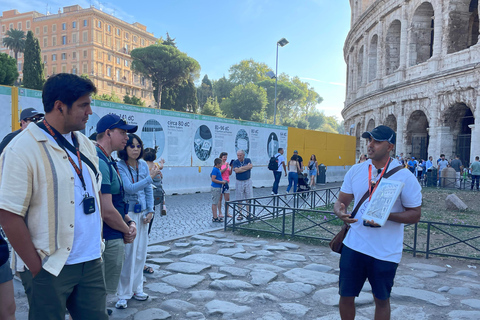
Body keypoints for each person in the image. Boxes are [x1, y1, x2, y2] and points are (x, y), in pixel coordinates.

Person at [0, 73, 109, 319]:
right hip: (50, 266)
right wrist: (38, 270)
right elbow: (8, 214)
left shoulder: (85, 143)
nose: (90, 111)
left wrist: (97, 243)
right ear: (60, 106)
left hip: (91, 261)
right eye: (83, 105)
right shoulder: (21, 148)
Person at [333, 125, 422, 320]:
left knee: (381, 300)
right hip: (353, 245)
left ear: (390, 146)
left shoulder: (405, 176)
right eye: (369, 140)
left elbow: (415, 214)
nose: (370, 145)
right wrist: (340, 211)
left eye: (377, 141)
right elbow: (341, 202)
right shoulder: (356, 170)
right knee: (346, 295)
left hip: (385, 251)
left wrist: (385, 215)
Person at [95, 114, 138, 311]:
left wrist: (130, 222)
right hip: (107, 236)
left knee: (101, 293)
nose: (127, 138)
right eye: (122, 132)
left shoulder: (108, 159)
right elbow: (106, 209)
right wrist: (126, 230)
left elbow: (117, 202)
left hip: (113, 233)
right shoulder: (100, 160)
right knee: (96, 293)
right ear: (108, 132)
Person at [116, 134, 158, 309]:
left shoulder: (141, 164)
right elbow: (129, 187)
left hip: (143, 214)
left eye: (138, 146)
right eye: (131, 146)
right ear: (124, 149)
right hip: (128, 213)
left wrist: (151, 210)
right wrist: (150, 177)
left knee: (141, 252)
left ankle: (137, 288)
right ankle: (123, 294)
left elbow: (148, 189)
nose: (135, 149)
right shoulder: (120, 165)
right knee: (128, 254)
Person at [143, 147, 164, 274]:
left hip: (145, 202)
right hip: (152, 203)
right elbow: (161, 169)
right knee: (146, 231)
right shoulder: (156, 166)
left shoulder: (142, 166)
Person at [232, 150, 253, 220]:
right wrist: (246, 168)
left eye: (240, 155)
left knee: (248, 197)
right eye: (238, 155)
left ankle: (248, 213)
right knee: (239, 198)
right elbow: (237, 171)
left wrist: (241, 169)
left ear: (244, 155)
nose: (239, 157)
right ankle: (240, 214)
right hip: (239, 181)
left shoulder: (248, 160)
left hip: (247, 180)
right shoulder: (235, 162)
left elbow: (250, 166)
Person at [211, 158, 227, 222]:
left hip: (218, 187)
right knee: (214, 203)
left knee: (216, 202)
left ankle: (215, 216)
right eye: (220, 164)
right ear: (217, 164)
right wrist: (222, 182)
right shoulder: (215, 170)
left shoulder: (217, 169)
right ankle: (215, 217)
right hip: (215, 188)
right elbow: (213, 179)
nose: (221, 165)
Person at [219, 152, 233, 217]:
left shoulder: (227, 163)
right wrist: (225, 168)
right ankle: (220, 212)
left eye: (226, 157)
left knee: (227, 198)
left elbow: (229, 173)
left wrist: (231, 168)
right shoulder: (219, 164)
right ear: (221, 157)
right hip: (220, 181)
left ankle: (227, 212)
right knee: (220, 198)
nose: (225, 158)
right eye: (224, 157)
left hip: (227, 181)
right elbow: (219, 172)